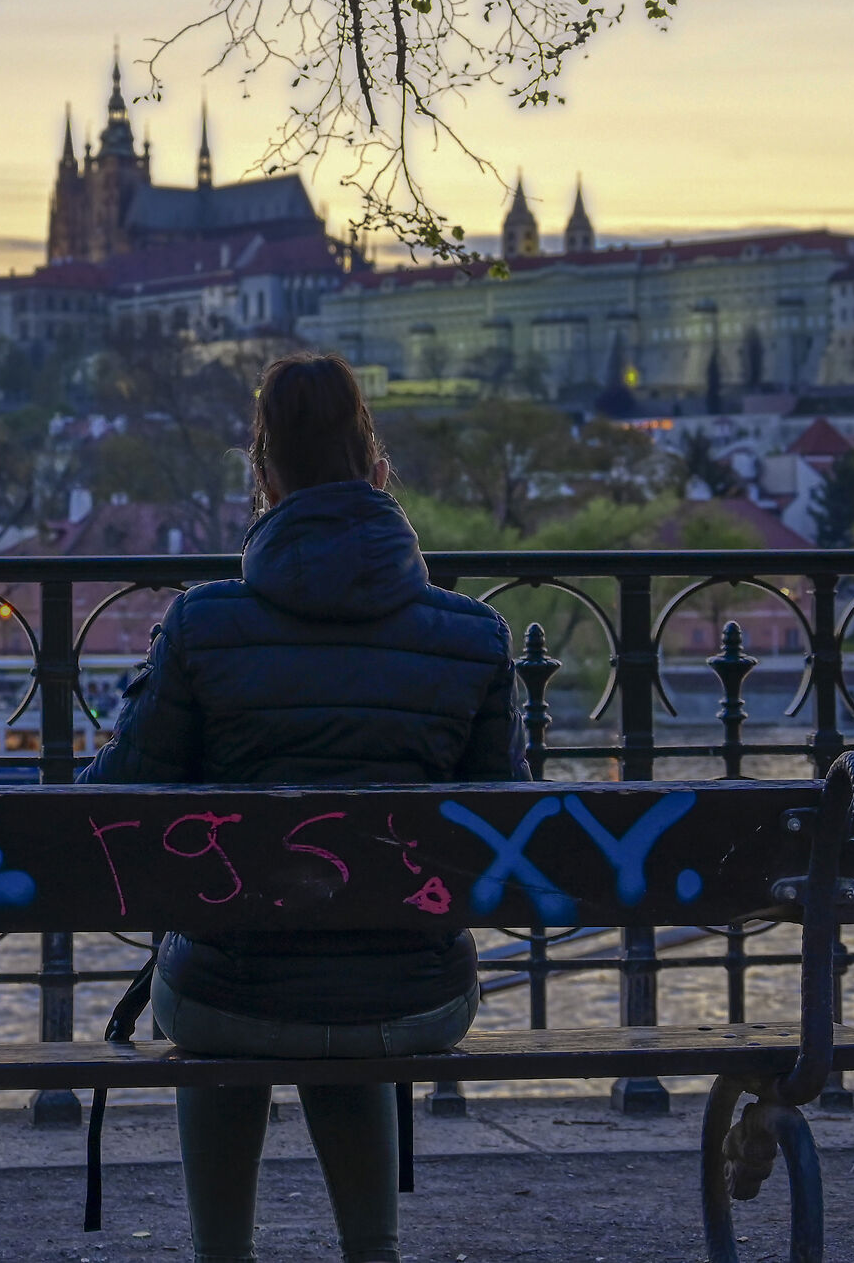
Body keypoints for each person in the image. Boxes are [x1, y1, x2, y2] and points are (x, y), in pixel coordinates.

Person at [80, 353, 526, 1263]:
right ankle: (373, 1250)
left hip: (230, 996)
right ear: (376, 468)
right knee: (345, 973)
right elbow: (506, 827)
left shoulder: (205, 626)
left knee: (221, 976)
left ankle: (223, 1255)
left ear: (265, 476)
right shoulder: (472, 636)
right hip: (418, 994)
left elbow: (111, 804)